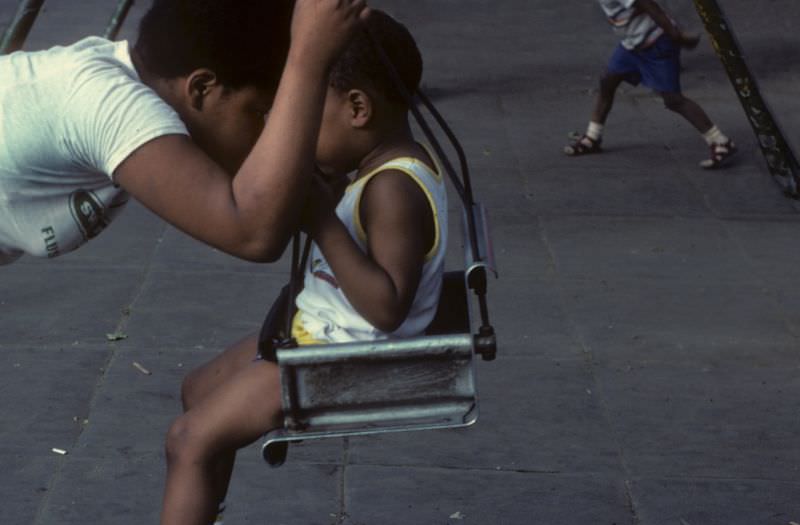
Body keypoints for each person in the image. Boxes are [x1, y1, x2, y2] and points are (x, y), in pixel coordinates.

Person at [160, 10, 446, 525]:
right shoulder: (375, 169)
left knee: (188, 439)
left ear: (357, 107)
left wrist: (322, 221)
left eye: (307, 112)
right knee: (197, 390)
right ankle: (202, 503)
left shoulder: (394, 188)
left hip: (351, 355)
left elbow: (387, 307)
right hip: (326, 331)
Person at [0, 0, 369, 265]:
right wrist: (308, 62)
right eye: (259, 112)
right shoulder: (106, 103)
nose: (266, 133)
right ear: (201, 88)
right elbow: (253, 234)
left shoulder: (113, 86)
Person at [564, 0, 737, 169]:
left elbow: (647, 4)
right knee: (607, 82)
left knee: (673, 100)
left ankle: (720, 141)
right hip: (632, 44)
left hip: (656, 44)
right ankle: (593, 137)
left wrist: (676, 36)